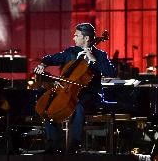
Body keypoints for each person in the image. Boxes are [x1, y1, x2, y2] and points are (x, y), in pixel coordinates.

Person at [34, 23, 117, 154]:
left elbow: (111, 72)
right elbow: (52, 58)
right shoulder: (71, 52)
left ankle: (74, 145)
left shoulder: (100, 55)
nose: (74, 38)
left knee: (77, 106)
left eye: (76, 35)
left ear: (87, 38)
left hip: (90, 94)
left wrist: (93, 60)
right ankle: (53, 145)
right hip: (68, 90)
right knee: (49, 105)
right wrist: (43, 64)